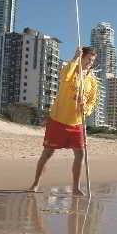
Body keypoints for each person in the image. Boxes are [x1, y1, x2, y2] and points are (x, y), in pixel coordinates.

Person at [29, 46, 99, 195]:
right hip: (58, 119)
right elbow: (64, 76)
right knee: (48, 153)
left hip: (77, 122)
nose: (90, 63)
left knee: (80, 154)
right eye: (88, 59)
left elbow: (92, 102)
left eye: (92, 61)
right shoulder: (70, 70)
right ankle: (35, 183)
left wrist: (84, 107)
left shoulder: (92, 81)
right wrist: (74, 58)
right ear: (82, 57)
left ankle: (75, 188)